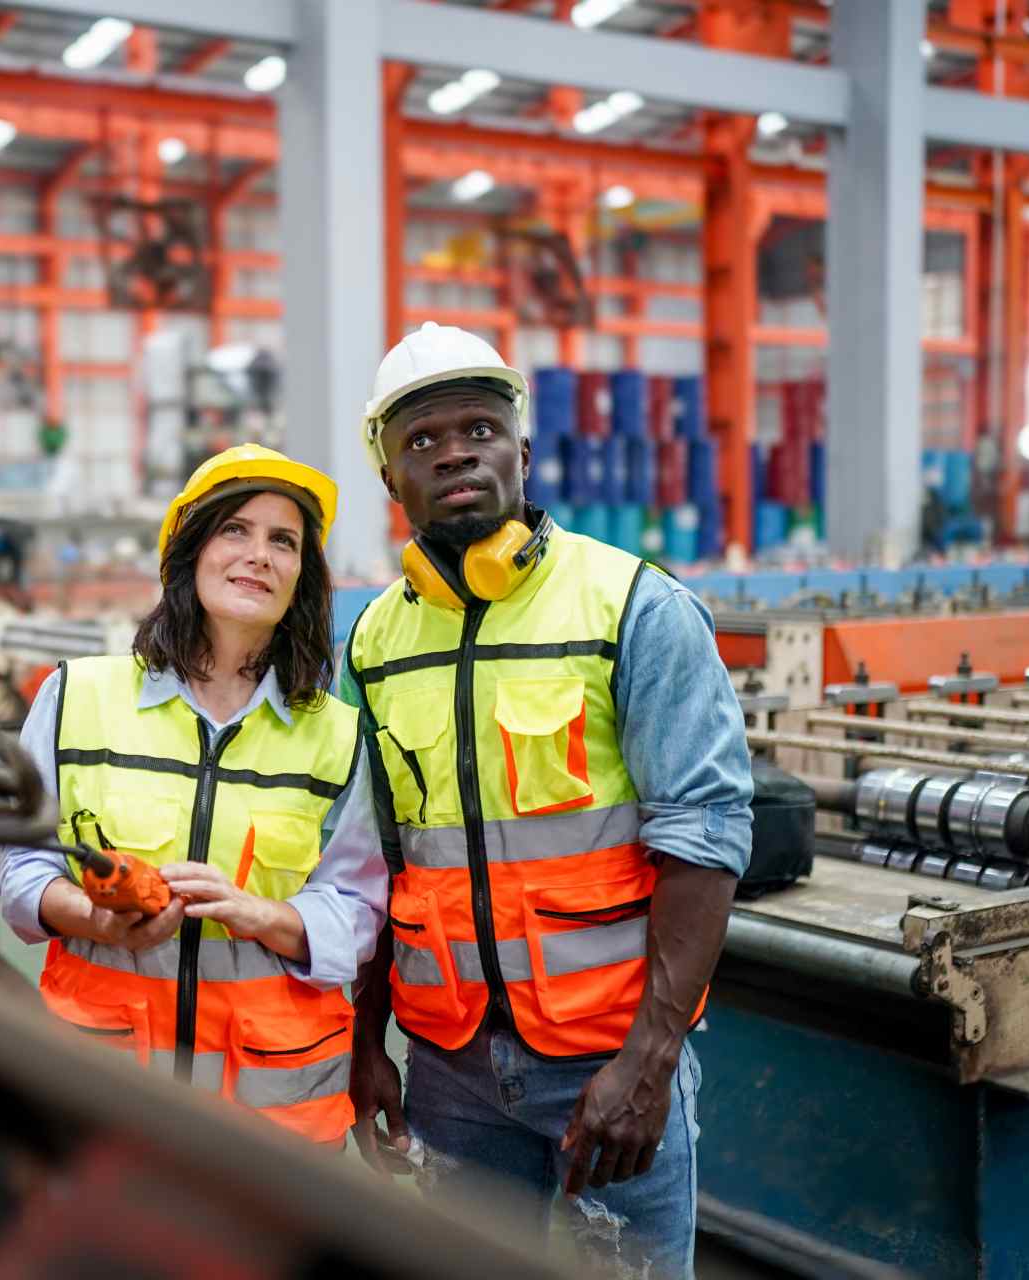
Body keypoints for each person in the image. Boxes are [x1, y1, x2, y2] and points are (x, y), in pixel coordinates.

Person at [340, 323, 753, 1276]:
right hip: (448, 1071)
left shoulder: (634, 608)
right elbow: (375, 861)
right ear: (391, 476)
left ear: (521, 453)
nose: (453, 453)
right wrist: (368, 1045)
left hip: (607, 1064)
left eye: (479, 430)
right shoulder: (372, 645)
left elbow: (708, 833)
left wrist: (649, 1062)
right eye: (422, 441)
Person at [0, 444, 387, 1144]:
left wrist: (260, 914)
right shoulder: (75, 697)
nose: (258, 554)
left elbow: (357, 911)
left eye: (283, 541)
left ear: (302, 575)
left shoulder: (339, 736)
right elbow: (23, 871)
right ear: (188, 554)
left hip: (269, 1109)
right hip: (106, 1092)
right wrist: (94, 917)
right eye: (234, 529)